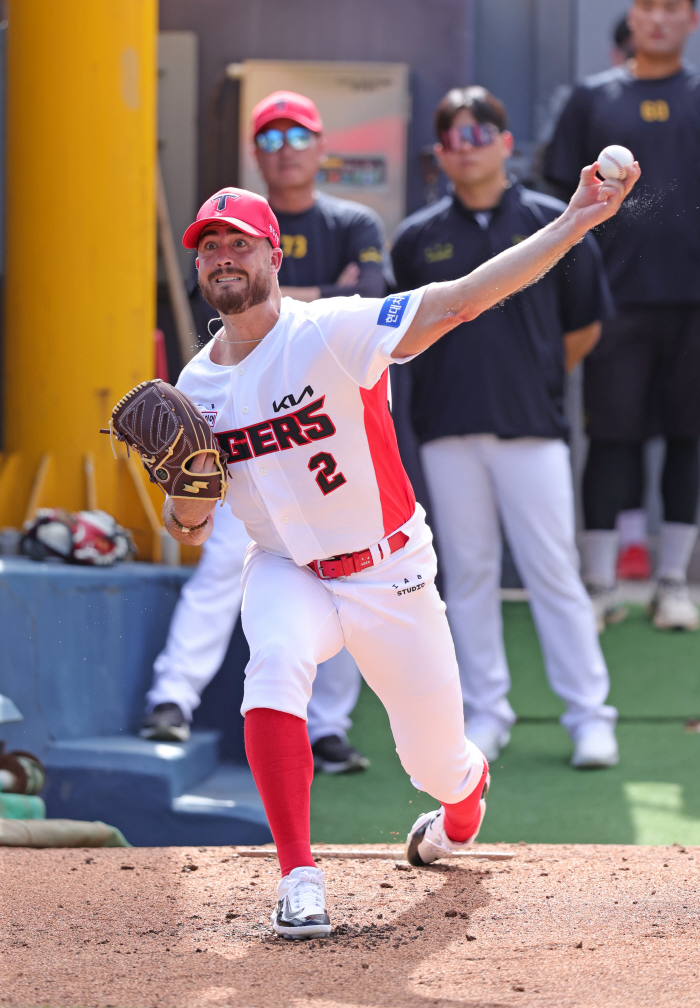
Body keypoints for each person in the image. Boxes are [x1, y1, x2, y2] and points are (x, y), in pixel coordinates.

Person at [160, 151, 637, 937]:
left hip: (388, 569)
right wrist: (183, 490)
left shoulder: (331, 329)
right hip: (287, 569)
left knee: (436, 760)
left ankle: (464, 795)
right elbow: (191, 526)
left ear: (274, 256)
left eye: (238, 242)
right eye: (209, 245)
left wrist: (574, 221)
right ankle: (299, 877)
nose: (222, 256)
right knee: (273, 664)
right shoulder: (194, 387)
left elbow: (461, 299)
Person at [142, 89, 388, 773]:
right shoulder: (234, 226)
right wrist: (310, 296)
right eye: (271, 141)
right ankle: (172, 698)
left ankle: (328, 728)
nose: (285, 152)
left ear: (320, 145)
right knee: (221, 565)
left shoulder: (353, 218)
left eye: (297, 137)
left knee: (346, 573)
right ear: (256, 153)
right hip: (244, 424)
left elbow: (360, 302)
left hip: (322, 429)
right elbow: (241, 301)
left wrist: (282, 300)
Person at [391, 86, 618, 768]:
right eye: (453, 135)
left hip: (534, 430)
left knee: (556, 572)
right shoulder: (416, 238)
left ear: (506, 141)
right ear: (440, 153)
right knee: (467, 576)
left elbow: (582, 328)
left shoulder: (557, 220)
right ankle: (486, 713)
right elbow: (402, 337)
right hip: (448, 430)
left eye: (479, 130)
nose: (467, 145)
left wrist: (534, 375)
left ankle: (589, 716)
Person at [544, 0, 700, 632]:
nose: (659, 17)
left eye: (673, 6)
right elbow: (557, 201)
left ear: (690, 20)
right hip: (613, 303)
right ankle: (600, 585)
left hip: (694, 305)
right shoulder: (591, 99)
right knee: (611, 440)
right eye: (649, 5)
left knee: (689, 440)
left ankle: (674, 584)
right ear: (632, 16)